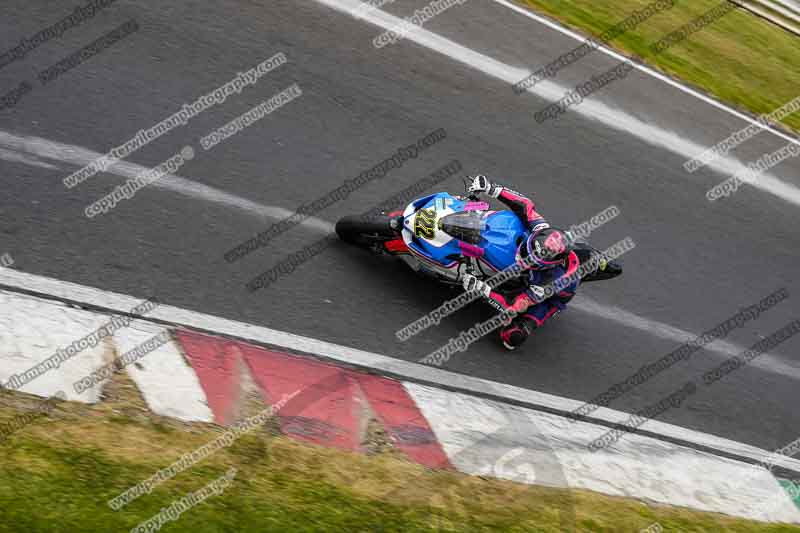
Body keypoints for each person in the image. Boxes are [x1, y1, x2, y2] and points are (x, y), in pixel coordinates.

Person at [460, 175, 580, 350]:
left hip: (547, 298)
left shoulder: (546, 284)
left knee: (513, 337)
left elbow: (512, 305)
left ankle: (526, 325)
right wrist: (492, 189)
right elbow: (525, 205)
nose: (522, 255)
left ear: (544, 265)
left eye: (528, 257)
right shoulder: (542, 230)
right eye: (527, 250)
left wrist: (482, 289)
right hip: (549, 264)